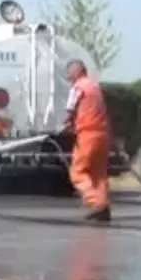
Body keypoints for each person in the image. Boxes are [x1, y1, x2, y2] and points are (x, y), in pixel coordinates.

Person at [61, 60, 112, 222]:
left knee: (78, 172)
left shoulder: (78, 87)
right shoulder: (95, 87)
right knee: (99, 174)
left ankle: (95, 202)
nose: (68, 77)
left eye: (69, 73)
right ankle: (103, 206)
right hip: (103, 135)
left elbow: (70, 110)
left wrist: (66, 124)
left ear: (77, 72)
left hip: (87, 134)